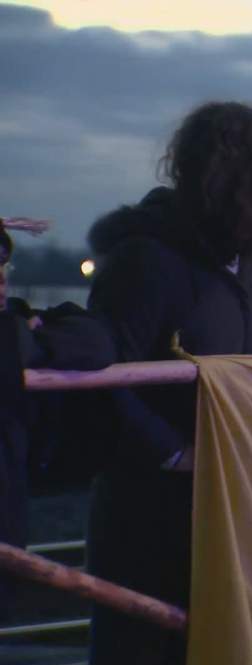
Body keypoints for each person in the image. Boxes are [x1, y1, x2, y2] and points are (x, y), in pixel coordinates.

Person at [84, 101, 252, 665]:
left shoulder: (248, 267)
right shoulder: (146, 262)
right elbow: (100, 380)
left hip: (226, 522)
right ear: (240, 170)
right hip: (147, 523)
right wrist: (173, 452)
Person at [0, 221, 115, 620]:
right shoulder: (17, 327)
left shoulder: (16, 323)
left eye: (4, 270)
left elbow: (96, 341)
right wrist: (25, 341)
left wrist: (28, 343)